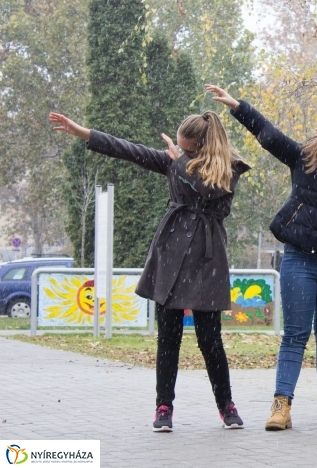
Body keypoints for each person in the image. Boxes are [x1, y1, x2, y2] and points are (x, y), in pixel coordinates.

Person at [49, 108, 250, 432]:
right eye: (181, 149)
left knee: (210, 340)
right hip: (170, 255)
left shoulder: (229, 168)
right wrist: (84, 133)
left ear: (202, 146)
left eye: (187, 149)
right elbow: (130, 150)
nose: (181, 154)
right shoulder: (177, 163)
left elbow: (209, 191)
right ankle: (164, 406)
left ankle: (226, 404)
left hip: (207, 260)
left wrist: (180, 163)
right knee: (168, 338)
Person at [206, 84, 317, 432]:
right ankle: (281, 406)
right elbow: (268, 134)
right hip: (298, 260)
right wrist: (237, 105)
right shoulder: (304, 158)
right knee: (295, 334)